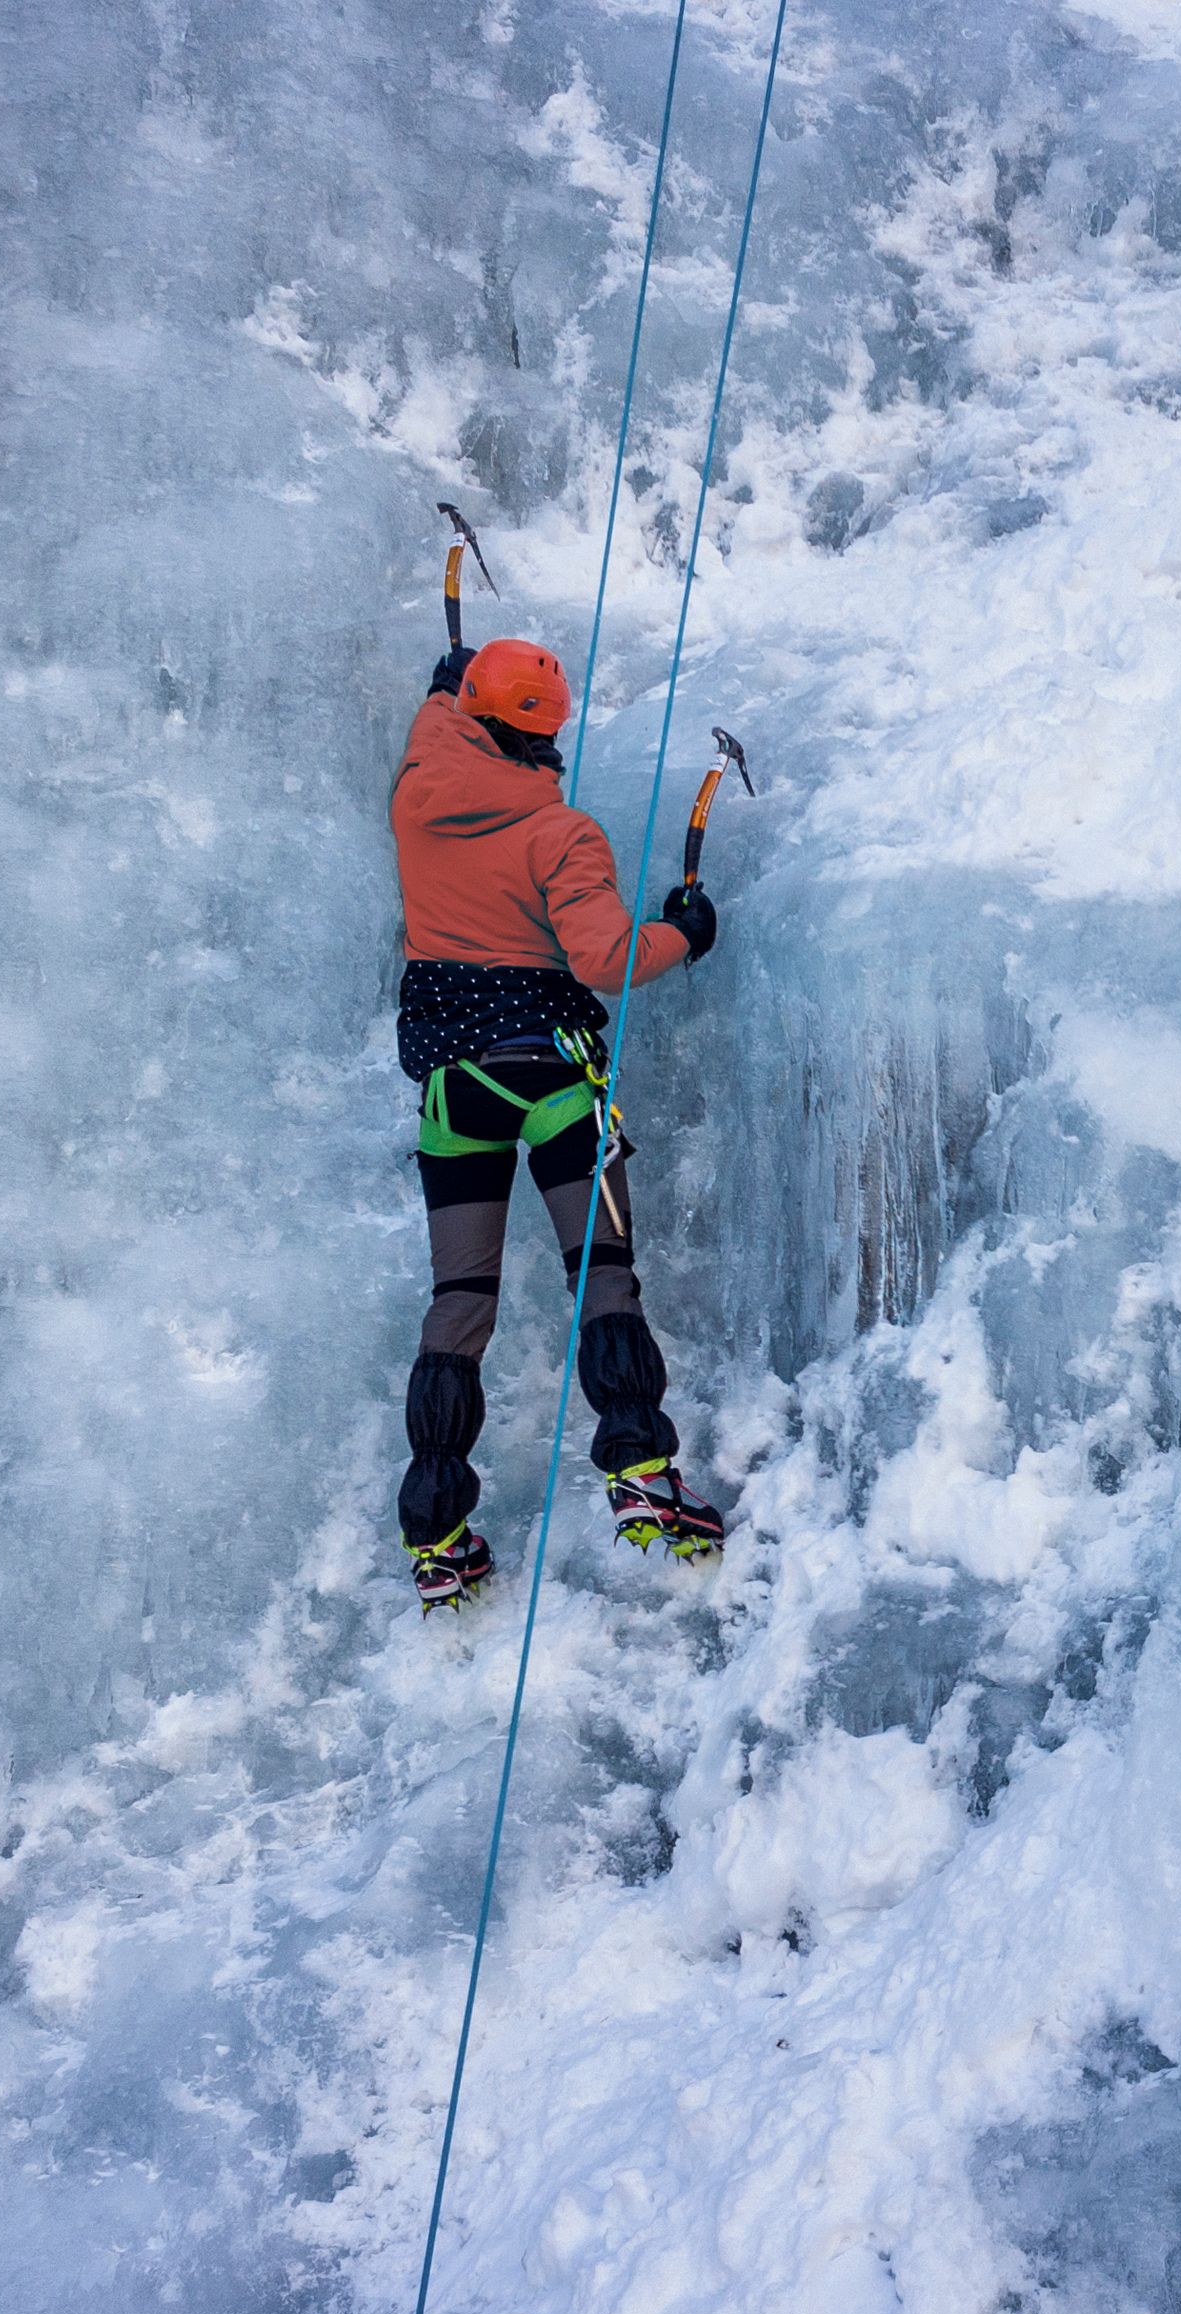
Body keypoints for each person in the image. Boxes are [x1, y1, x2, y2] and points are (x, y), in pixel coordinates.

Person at [387, 633, 727, 1610]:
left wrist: (443, 675)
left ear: (463, 710)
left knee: (460, 1299)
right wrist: (688, 933)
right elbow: (607, 959)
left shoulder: (416, 793)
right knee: (601, 1276)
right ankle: (641, 1479)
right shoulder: (561, 834)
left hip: (457, 1085)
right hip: (553, 1078)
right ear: (549, 727)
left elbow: (430, 724)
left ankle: (437, 1528)